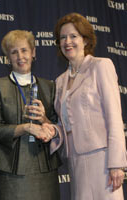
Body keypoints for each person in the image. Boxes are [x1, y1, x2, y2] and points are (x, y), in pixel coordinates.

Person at [51, 12, 127, 200]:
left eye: (73, 36)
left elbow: (114, 117)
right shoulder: (60, 81)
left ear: (85, 40)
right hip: (75, 162)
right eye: (63, 37)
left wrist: (116, 164)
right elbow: (66, 124)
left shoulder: (101, 66)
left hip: (102, 161)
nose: (67, 41)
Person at [0, 30, 61, 200]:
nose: (20, 56)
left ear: (33, 53)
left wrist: (45, 121)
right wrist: (26, 127)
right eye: (14, 52)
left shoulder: (49, 87)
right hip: (10, 173)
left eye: (24, 50)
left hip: (45, 171)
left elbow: (57, 127)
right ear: (8, 57)